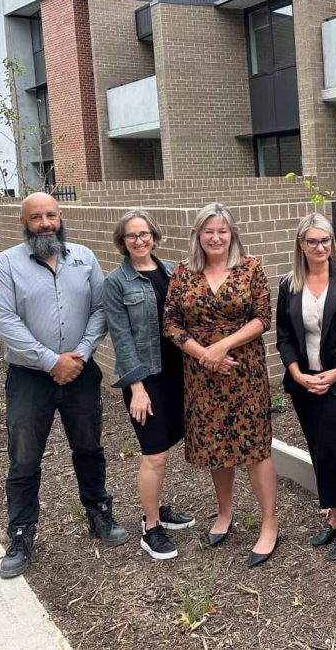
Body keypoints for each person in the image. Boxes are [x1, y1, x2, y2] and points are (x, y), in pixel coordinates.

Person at [0, 192, 129, 580]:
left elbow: (102, 309)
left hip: (80, 373)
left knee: (89, 447)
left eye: (51, 215)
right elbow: (3, 321)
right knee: (25, 458)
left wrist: (79, 355)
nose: (45, 223)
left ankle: (99, 515)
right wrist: (51, 361)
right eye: (36, 217)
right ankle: (20, 534)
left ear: (60, 216)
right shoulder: (6, 265)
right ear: (24, 221)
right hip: (30, 379)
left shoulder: (83, 258)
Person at [163, 203, 280, 567]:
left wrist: (222, 346)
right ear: (198, 234)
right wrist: (203, 354)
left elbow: (263, 318)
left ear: (232, 235)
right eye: (209, 231)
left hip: (243, 371)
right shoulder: (183, 273)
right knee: (216, 445)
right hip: (202, 375)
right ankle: (225, 512)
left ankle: (269, 522)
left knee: (255, 447)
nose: (216, 237)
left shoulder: (251, 269)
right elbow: (171, 323)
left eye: (223, 231)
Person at [102, 209, 198, 561]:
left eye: (144, 234)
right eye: (132, 236)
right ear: (122, 242)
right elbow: (121, 339)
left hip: (180, 373)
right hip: (146, 377)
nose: (139, 241)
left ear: (154, 236)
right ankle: (151, 526)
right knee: (154, 453)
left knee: (165, 449)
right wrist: (137, 388)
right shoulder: (116, 283)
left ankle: (158, 507)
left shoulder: (174, 271)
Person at [276, 213, 336, 561]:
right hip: (304, 384)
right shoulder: (289, 284)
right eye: (312, 241)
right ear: (301, 244)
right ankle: (333, 516)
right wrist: (297, 373)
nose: (319, 247)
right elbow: (284, 336)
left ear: (332, 243)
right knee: (318, 450)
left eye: (325, 241)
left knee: (332, 450)